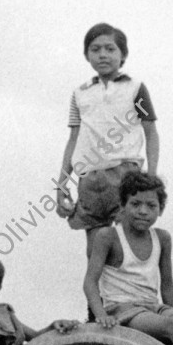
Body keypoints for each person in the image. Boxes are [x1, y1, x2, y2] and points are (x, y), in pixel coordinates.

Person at [56, 23, 159, 233]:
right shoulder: (80, 93)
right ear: (87, 55)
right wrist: (62, 182)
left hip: (125, 173)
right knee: (95, 245)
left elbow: (151, 132)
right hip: (90, 176)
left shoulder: (135, 87)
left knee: (127, 239)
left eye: (110, 49)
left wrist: (152, 178)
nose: (103, 55)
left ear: (123, 54)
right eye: (95, 49)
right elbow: (73, 138)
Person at [83, 171, 173, 344]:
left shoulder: (162, 238)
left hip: (153, 308)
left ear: (161, 209)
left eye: (151, 206)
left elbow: (168, 285)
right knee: (172, 326)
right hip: (122, 311)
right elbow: (90, 282)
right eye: (135, 204)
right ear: (122, 205)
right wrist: (101, 315)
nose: (143, 211)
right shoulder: (108, 236)